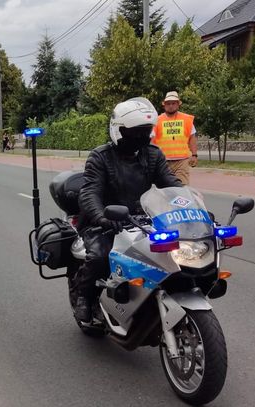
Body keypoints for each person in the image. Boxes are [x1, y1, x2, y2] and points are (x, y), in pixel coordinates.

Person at [74, 97, 182, 323]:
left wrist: (190, 207)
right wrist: (101, 216)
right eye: (135, 132)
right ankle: (85, 297)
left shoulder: (152, 155)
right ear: (119, 130)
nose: (141, 137)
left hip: (141, 219)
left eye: (146, 131)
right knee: (101, 256)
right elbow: (90, 192)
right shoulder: (100, 157)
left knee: (170, 252)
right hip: (105, 220)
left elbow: (171, 184)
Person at [152, 91, 198, 185]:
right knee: (164, 188)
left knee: (181, 187)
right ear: (164, 105)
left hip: (182, 161)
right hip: (163, 161)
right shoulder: (157, 120)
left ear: (178, 104)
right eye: (168, 103)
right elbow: (152, 140)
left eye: (173, 103)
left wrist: (194, 155)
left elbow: (192, 137)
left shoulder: (186, 119)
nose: (171, 106)